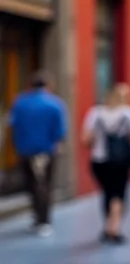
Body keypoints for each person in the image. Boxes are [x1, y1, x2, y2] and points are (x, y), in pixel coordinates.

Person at [81, 83, 130, 243]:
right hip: (121, 160)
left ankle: (108, 226)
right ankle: (114, 227)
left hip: (100, 160)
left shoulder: (95, 113)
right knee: (118, 193)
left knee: (107, 192)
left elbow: (86, 140)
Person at [9, 72, 66, 237]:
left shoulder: (19, 103)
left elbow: (13, 125)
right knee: (45, 185)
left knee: (31, 185)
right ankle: (44, 220)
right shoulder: (54, 104)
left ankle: (37, 217)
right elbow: (59, 131)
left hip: (25, 149)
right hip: (45, 150)